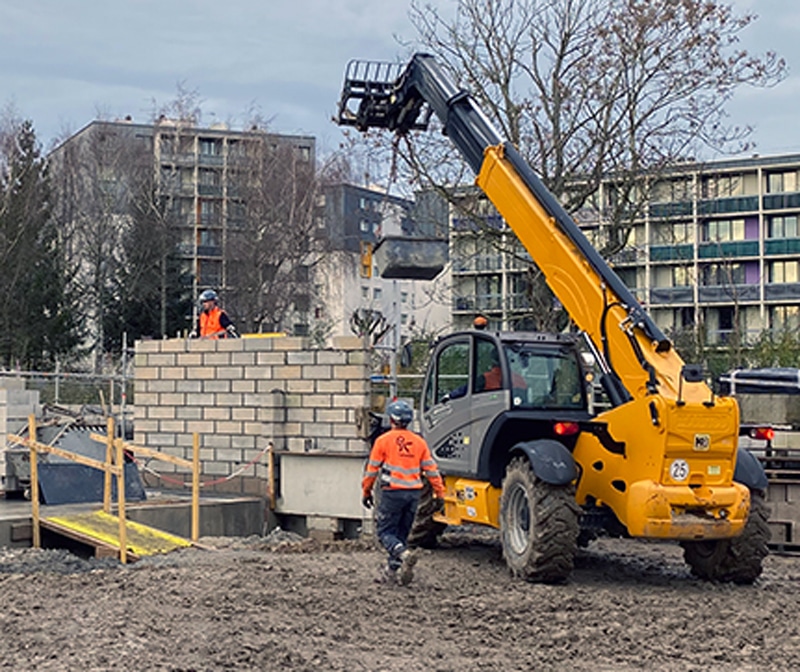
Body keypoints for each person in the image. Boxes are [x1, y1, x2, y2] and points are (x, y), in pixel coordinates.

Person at [361, 399, 445, 586]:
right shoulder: (419, 442)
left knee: (385, 532)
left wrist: (366, 491)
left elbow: (372, 470)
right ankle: (391, 572)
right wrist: (440, 494)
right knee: (401, 534)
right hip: (414, 494)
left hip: (392, 493)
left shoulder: (383, 441)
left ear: (391, 419)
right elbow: (431, 470)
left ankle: (403, 555)